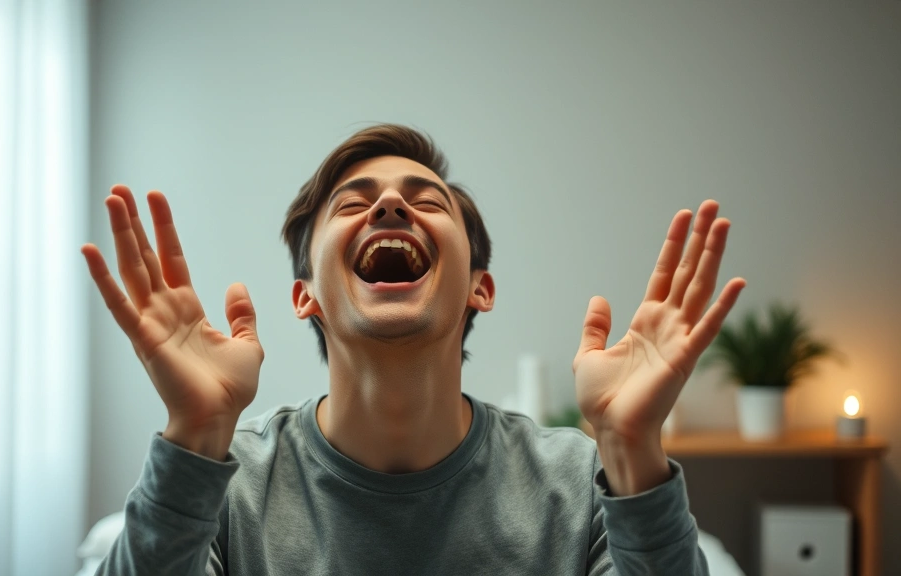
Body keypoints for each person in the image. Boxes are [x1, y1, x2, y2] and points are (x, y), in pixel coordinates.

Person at [82, 124, 745, 575]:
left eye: (426, 201)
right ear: (305, 295)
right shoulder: (227, 489)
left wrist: (632, 448)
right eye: (353, 204)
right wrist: (193, 437)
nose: (392, 204)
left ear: (479, 290)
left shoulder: (578, 486)